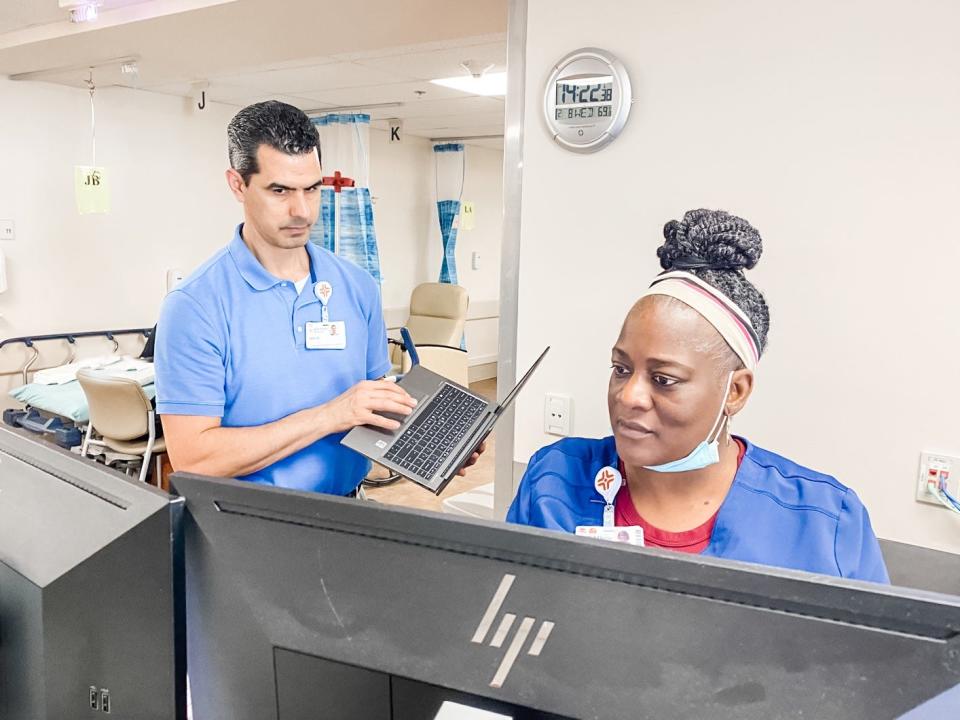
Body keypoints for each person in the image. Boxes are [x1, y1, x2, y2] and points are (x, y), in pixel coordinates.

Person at [507, 209, 889, 582]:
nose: (629, 397)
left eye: (663, 379)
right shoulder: (553, 480)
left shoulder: (825, 523)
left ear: (735, 391)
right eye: (621, 369)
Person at [155, 101, 479, 495]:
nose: (302, 211)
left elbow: (373, 407)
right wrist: (329, 416)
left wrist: (437, 442)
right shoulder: (196, 306)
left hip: (347, 510)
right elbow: (195, 458)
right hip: (245, 529)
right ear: (237, 184)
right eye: (280, 191)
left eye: (312, 189)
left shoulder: (357, 286)